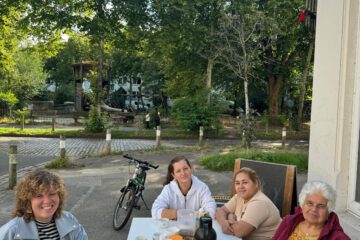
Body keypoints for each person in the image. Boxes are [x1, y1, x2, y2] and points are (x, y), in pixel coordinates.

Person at [0, 169, 88, 240]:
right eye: (39, 196)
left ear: (60, 196)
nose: (47, 201)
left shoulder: (69, 220)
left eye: (52, 194)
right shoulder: (10, 232)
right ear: (27, 200)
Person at [216, 167, 281, 240]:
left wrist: (230, 216)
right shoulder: (239, 197)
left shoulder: (259, 203)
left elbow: (238, 231)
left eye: (245, 182)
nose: (240, 186)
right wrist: (223, 222)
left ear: (255, 183)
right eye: (237, 183)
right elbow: (220, 211)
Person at [272, 180, 350, 240]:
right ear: (302, 204)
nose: (314, 209)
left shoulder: (338, 238)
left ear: (329, 210)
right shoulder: (288, 221)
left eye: (321, 206)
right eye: (309, 203)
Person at [151, 156, 216, 220]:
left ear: (191, 169)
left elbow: (211, 211)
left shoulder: (202, 187)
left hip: (195, 227)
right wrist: (177, 213)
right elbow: (155, 211)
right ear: (173, 175)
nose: (183, 173)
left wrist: (190, 216)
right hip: (174, 229)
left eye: (185, 168)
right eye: (178, 171)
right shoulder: (168, 189)